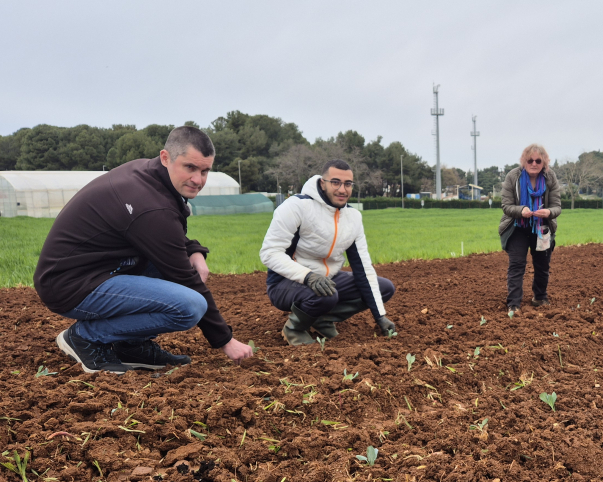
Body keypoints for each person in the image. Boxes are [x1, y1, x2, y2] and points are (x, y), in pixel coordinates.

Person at [34, 126, 254, 374]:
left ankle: (130, 346)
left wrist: (194, 250)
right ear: (165, 157)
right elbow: (184, 276)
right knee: (190, 306)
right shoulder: (149, 205)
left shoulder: (149, 174)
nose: (198, 180)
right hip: (69, 285)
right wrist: (225, 341)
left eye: (205, 171)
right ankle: (85, 337)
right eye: (190, 167)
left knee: (178, 274)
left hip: (98, 269)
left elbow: (163, 235)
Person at [260, 160, 396, 345]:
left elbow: (363, 268)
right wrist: (308, 277)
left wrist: (379, 315)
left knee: (384, 288)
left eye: (348, 184)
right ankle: (294, 328)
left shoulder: (353, 218)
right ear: (323, 183)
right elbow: (269, 253)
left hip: (326, 279)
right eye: (336, 182)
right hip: (285, 282)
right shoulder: (296, 207)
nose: (342, 189)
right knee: (325, 295)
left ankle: (321, 319)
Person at [499, 144, 561, 311]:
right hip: (517, 226)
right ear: (523, 161)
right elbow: (506, 206)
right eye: (530, 160)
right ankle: (513, 304)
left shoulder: (550, 177)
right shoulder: (513, 176)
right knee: (517, 264)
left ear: (544, 162)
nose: (534, 163)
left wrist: (548, 212)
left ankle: (540, 298)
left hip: (542, 227)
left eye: (538, 160)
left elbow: (557, 207)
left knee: (542, 264)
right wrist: (521, 210)